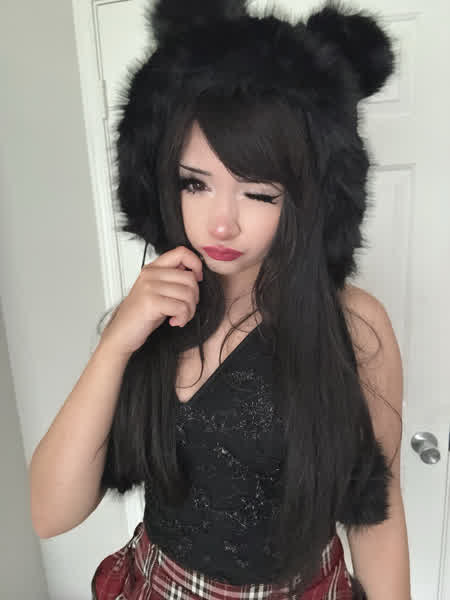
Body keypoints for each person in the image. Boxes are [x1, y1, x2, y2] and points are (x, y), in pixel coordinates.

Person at [30, 1, 409, 598]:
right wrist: (117, 342)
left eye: (257, 193)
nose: (221, 223)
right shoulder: (155, 310)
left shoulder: (355, 326)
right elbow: (49, 513)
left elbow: (377, 517)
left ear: (307, 200)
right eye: (195, 184)